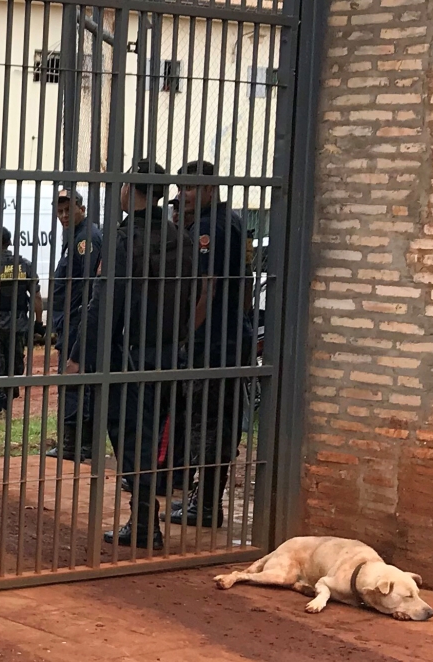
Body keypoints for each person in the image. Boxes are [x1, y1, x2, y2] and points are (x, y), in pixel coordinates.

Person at [67, 160, 195, 550]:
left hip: (133, 353)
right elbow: (195, 294)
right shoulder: (182, 238)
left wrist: (79, 355)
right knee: (152, 434)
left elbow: (104, 302)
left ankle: (143, 524)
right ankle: (144, 520)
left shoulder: (124, 239)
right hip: (171, 351)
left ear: (130, 191)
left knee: (129, 437)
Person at [168, 160, 254, 528]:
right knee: (221, 421)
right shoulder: (232, 221)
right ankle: (204, 502)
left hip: (213, 343)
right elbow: (245, 283)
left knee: (206, 422)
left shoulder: (208, 228)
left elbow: (206, 287)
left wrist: (186, 335)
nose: (182, 197)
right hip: (233, 337)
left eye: (188, 189)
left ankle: (204, 506)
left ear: (208, 190)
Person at [46, 188, 103, 462]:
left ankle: (76, 445)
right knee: (76, 380)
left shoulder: (86, 239)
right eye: (60, 211)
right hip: (70, 320)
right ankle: (78, 444)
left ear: (81, 207)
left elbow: (90, 285)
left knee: (74, 380)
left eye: (69, 209)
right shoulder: (74, 237)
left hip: (78, 322)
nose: (64, 215)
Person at [0, 225, 41, 413]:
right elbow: (36, 297)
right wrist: (38, 323)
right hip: (18, 323)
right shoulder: (24, 265)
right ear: (10, 242)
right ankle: (8, 403)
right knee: (13, 362)